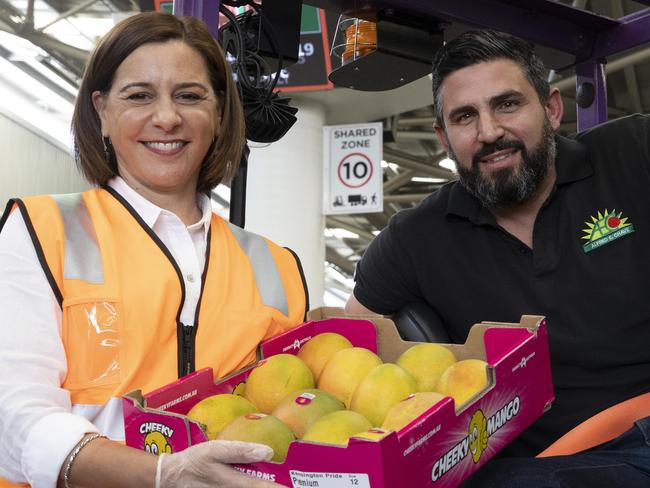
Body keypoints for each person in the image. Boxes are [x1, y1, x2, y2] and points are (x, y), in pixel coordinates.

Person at [0, 11, 308, 488]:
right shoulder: (41, 231)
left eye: (189, 96)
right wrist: (160, 475)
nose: (166, 117)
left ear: (219, 113)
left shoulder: (278, 267)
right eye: (139, 96)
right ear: (101, 111)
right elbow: (12, 417)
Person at [346, 30, 650, 486]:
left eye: (507, 104)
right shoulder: (415, 238)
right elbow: (346, 350)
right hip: (533, 468)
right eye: (465, 116)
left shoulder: (635, 151)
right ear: (443, 138)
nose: (489, 132)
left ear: (551, 108)